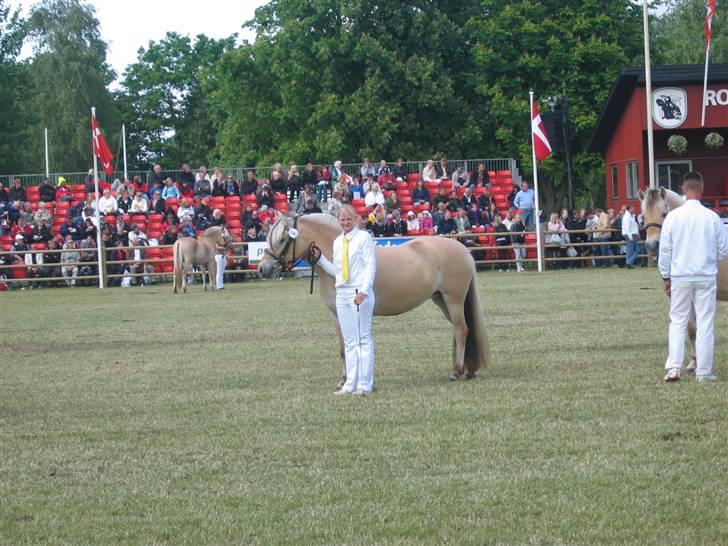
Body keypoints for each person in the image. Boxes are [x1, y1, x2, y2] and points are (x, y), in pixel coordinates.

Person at [660, 172, 728, 382]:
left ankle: (673, 367)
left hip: (680, 275)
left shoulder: (672, 217)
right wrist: (708, 259)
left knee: (678, 321)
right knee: (706, 322)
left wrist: (665, 276)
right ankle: (704, 371)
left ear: (683, 189)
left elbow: (665, 250)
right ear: (702, 189)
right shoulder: (712, 217)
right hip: (706, 275)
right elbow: (722, 251)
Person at [311, 205, 377, 395]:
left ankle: (365, 384)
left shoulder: (364, 238)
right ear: (338, 221)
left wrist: (365, 290)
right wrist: (321, 260)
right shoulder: (338, 242)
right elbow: (338, 273)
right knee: (349, 340)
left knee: (363, 338)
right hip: (342, 293)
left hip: (359, 292)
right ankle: (350, 383)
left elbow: (371, 266)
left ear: (355, 219)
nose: (346, 222)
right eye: (342, 219)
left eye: (349, 219)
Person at [621, 204, 640, 268]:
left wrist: (637, 233)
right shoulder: (627, 217)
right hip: (630, 234)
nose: (634, 210)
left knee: (631, 250)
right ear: (629, 209)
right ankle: (629, 262)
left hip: (632, 234)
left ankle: (628, 263)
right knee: (635, 250)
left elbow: (634, 226)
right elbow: (627, 228)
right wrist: (630, 236)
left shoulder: (631, 216)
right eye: (633, 209)